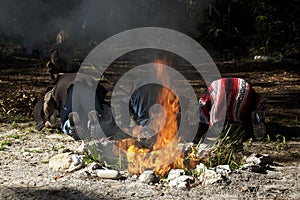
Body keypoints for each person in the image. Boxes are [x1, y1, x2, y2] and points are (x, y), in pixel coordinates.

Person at [193, 77, 266, 144]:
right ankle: (249, 135)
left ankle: (246, 134)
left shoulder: (204, 104)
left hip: (223, 91)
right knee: (245, 114)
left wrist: (199, 136)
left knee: (215, 121)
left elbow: (203, 118)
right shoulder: (208, 97)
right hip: (245, 89)